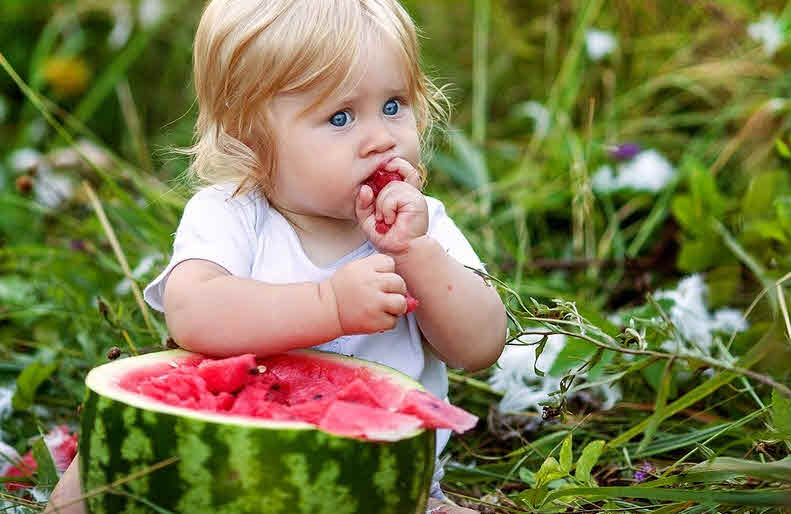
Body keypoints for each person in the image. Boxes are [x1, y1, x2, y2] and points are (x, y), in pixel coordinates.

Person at [44, 1, 506, 512]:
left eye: (394, 105)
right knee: (94, 470)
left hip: (386, 485)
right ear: (250, 137)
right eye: (341, 117)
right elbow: (194, 313)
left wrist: (416, 253)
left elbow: (480, 346)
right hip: (225, 465)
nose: (381, 137)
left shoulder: (423, 225)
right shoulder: (232, 213)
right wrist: (329, 305)